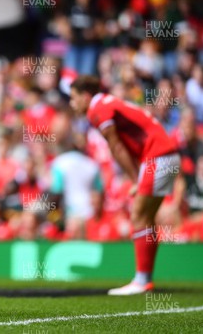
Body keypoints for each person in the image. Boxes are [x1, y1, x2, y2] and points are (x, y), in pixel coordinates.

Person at [69, 76, 180, 295]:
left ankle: (141, 281)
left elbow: (116, 147)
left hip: (157, 157)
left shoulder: (97, 108)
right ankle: (145, 279)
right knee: (146, 218)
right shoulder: (110, 102)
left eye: (73, 98)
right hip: (167, 156)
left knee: (138, 215)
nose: (72, 104)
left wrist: (135, 178)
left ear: (85, 96)